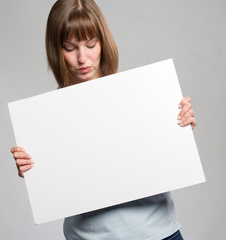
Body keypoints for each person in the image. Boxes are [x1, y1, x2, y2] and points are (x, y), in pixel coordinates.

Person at [11, 0, 197, 239]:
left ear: (103, 42)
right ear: (56, 50)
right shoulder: (44, 122)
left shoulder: (144, 95)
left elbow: (168, 159)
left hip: (159, 232)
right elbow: (54, 190)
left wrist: (180, 126)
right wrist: (34, 169)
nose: (82, 58)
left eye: (91, 44)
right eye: (70, 48)